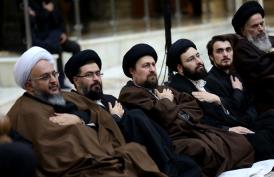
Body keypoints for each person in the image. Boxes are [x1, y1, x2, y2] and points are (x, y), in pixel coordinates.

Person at [6, 46, 166, 177]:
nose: (54, 81)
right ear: (29, 86)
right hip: (83, 167)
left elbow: (91, 111)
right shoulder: (23, 112)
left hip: (101, 156)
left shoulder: (58, 97)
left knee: (136, 149)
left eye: (54, 74)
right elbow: (50, 150)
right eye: (45, 77)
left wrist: (80, 119)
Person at [118, 43, 255, 177]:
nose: (152, 69)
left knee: (240, 142)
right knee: (200, 148)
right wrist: (166, 101)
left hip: (191, 130)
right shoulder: (130, 94)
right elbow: (160, 119)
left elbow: (193, 106)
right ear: (132, 71)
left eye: (153, 64)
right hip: (172, 140)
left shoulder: (160, 89)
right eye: (146, 66)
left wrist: (171, 109)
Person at [64, 49, 203, 177]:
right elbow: (86, 127)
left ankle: (169, 162)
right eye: (89, 75)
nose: (96, 78)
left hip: (144, 146)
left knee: (191, 164)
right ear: (76, 80)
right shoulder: (72, 102)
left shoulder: (110, 99)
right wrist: (114, 118)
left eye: (98, 73)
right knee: (136, 115)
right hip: (112, 151)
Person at [165, 37, 274, 161]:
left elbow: (244, 102)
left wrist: (220, 100)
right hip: (221, 132)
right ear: (180, 68)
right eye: (191, 59)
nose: (199, 61)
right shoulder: (181, 89)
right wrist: (228, 129)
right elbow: (198, 120)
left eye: (198, 56)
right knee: (262, 138)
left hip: (236, 121)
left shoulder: (200, 78)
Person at [231, 1, 274, 86]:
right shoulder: (242, 48)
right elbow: (259, 69)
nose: (261, 28)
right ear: (242, 30)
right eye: (255, 26)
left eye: (262, 24)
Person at [28, 0, 81, 88]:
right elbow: (37, 22)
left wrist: (63, 33)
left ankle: (76, 75)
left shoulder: (53, 3)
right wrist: (47, 11)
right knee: (58, 49)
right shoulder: (31, 3)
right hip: (43, 40)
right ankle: (61, 80)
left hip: (56, 36)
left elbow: (60, 20)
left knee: (75, 47)